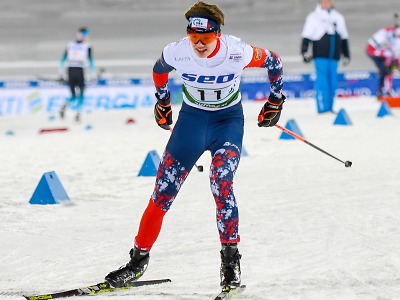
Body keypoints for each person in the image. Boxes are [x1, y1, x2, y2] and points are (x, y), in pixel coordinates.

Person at [105, 1, 285, 294]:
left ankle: (230, 263)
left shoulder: (236, 51)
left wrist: (275, 101)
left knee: (221, 183)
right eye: (194, 38)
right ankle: (137, 261)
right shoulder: (178, 50)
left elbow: (274, 61)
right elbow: (158, 69)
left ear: (217, 34)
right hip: (191, 122)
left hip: (226, 123)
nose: (199, 45)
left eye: (206, 38)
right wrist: (162, 101)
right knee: (163, 192)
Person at [300, 0, 350, 114]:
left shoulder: (338, 17)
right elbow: (306, 35)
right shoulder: (313, 17)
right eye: (324, 1)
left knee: (333, 82)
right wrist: (304, 51)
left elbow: (344, 37)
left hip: (334, 56)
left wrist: (346, 54)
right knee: (322, 82)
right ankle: (322, 108)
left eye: (328, 1)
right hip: (320, 55)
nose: (327, 3)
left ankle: (329, 107)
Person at [58, 27, 96, 122]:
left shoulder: (70, 44)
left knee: (74, 95)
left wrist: (61, 72)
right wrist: (93, 74)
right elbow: (91, 61)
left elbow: (62, 60)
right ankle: (78, 113)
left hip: (70, 69)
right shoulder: (87, 46)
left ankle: (65, 106)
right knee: (81, 93)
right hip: (79, 70)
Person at [366, 16, 400, 98]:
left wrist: (396, 63)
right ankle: (380, 91)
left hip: (386, 54)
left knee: (389, 70)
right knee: (384, 70)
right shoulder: (384, 33)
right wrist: (383, 53)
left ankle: (386, 91)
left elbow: (395, 55)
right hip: (374, 53)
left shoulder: (396, 41)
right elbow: (370, 49)